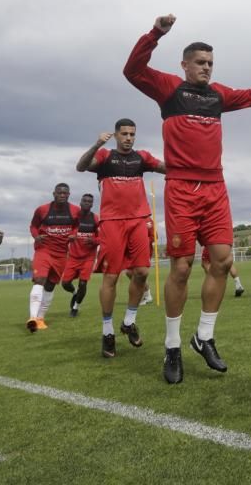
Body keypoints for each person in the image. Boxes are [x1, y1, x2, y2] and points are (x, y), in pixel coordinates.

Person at [124, 14, 251, 383]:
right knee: (181, 269)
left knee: (221, 261)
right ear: (184, 65)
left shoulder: (217, 96)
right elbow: (133, 70)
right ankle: (172, 347)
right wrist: (156, 34)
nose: (206, 68)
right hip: (182, 189)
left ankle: (204, 337)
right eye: (200, 63)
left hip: (215, 189)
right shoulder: (169, 89)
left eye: (210, 64)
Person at [76, 120, 165, 358]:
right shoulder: (105, 157)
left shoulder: (142, 158)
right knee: (112, 277)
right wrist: (96, 144)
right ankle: (107, 333)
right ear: (115, 135)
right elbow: (81, 166)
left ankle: (129, 321)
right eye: (124, 134)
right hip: (112, 223)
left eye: (132, 134)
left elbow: (167, 168)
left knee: (142, 273)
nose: (128, 138)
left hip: (138, 220)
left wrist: (187, 160)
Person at [27, 184, 80, 332]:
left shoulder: (75, 211)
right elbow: (33, 226)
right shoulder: (42, 210)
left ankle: (40, 318)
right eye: (59, 193)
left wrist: (74, 234)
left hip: (61, 254)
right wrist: (36, 236)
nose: (62, 195)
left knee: (50, 286)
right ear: (54, 194)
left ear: (69, 194)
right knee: (40, 280)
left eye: (65, 193)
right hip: (43, 249)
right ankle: (32, 317)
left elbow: (77, 225)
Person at [61, 194, 99, 318]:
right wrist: (68, 237)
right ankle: (74, 292)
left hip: (88, 257)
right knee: (65, 283)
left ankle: (75, 307)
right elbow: (65, 232)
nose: (87, 203)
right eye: (85, 201)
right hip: (73, 256)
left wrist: (94, 241)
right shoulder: (73, 218)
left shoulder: (95, 219)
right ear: (80, 202)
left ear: (92, 204)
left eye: (90, 201)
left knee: (83, 283)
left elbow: (103, 237)